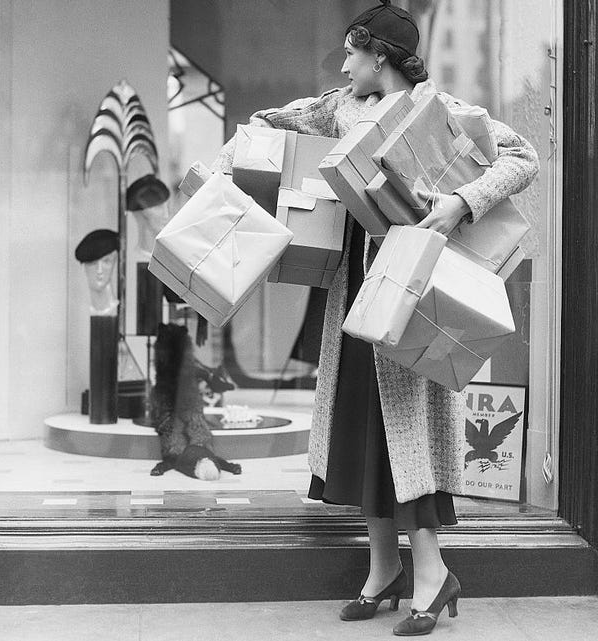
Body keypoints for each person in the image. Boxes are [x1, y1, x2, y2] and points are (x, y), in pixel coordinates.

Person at [213, 1, 538, 636]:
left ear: (380, 57)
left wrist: (460, 203)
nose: (343, 64)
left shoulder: (443, 114)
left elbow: (522, 156)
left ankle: (432, 574)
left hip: (415, 291)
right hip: (353, 289)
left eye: (352, 54)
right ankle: (383, 569)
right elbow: (266, 124)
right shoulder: (337, 108)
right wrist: (241, 163)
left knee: (406, 435)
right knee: (360, 426)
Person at [74, 229, 120, 316]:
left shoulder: (119, 310)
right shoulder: (81, 310)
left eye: (106, 261)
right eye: (93, 263)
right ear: (84, 268)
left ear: (115, 262)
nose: (99, 270)